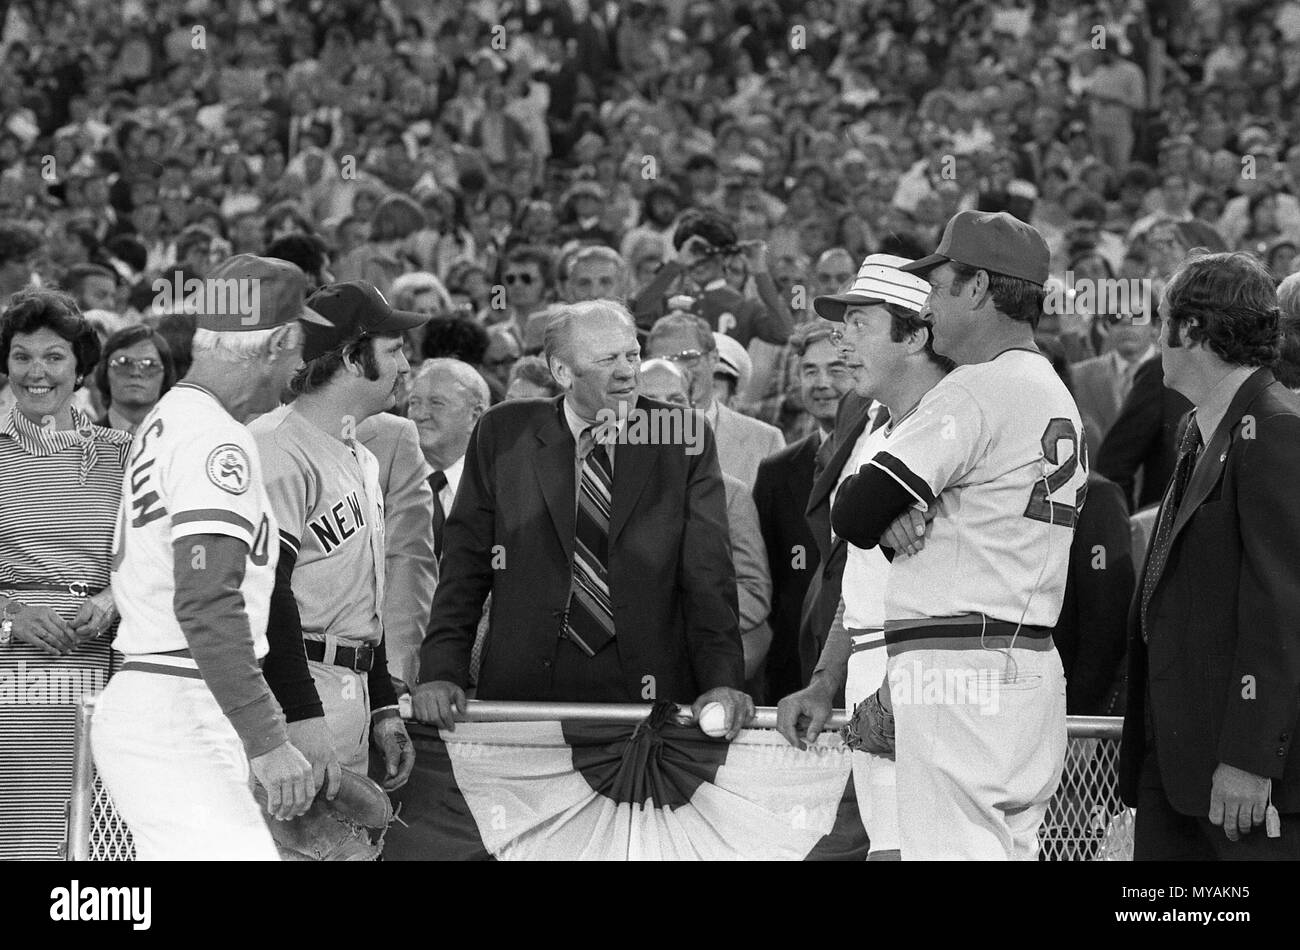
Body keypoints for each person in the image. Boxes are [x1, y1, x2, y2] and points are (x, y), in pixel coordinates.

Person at [831, 212, 1087, 859]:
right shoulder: (1052, 388)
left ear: (978, 290)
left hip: (959, 666)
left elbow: (857, 511)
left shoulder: (979, 386)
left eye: (942, 287)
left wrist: (889, 509)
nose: (931, 306)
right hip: (1027, 664)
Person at [413, 300, 751, 732]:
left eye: (632, 355)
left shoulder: (682, 434)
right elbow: (464, 565)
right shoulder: (504, 431)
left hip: (648, 694)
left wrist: (721, 680)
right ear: (562, 372)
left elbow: (709, 573)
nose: (628, 371)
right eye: (608, 360)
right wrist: (441, 669)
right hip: (524, 695)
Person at [91, 255, 318, 860]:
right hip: (179, 702)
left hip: (171, 694)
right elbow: (206, 600)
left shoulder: (173, 416)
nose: (300, 367)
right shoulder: (215, 436)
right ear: (282, 341)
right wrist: (268, 739)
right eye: (301, 348)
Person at [1120, 252, 1300, 859]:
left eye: (1162, 319)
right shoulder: (1202, 427)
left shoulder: (1274, 428)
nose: (1155, 336)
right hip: (1177, 767)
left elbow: (1283, 609)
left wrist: (1250, 759)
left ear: (1192, 330)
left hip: (1239, 782)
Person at [776, 253, 944, 860]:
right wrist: (826, 681)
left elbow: (957, 585)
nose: (844, 340)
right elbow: (859, 575)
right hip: (873, 669)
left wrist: (906, 685)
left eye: (860, 324)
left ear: (917, 336)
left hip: (929, 676)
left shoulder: (954, 421)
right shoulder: (873, 423)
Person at [249, 281, 421, 792]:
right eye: (393, 350)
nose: (405, 366)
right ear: (350, 357)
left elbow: (365, 594)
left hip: (349, 688)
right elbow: (267, 595)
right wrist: (301, 717)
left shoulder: (361, 455)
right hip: (291, 694)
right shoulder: (274, 446)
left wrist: (385, 703)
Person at [0, 289, 131, 860]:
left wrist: (113, 597)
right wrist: (12, 618)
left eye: (53, 357)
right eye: (22, 356)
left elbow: (161, 560)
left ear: (81, 366)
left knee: (91, 847)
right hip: (10, 673)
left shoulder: (126, 454)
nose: (37, 372)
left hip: (103, 672)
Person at [640, 358, 773, 688]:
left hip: (704, 669)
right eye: (650, 402)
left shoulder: (730, 494)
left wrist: (679, 626)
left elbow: (754, 591)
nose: (664, 413)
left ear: (693, 406)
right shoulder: (604, 487)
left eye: (675, 401)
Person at [752, 320, 853, 701]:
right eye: (810, 371)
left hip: (872, 669)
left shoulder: (889, 456)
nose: (821, 382)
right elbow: (768, 583)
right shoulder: (777, 471)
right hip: (792, 676)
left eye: (836, 368)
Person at [644, 311, 783, 488]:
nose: (678, 370)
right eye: (663, 361)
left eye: (688, 358)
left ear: (714, 358)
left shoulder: (766, 442)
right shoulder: (624, 438)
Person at [407, 357, 491, 564]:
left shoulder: (500, 489)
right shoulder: (383, 480)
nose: (419, 414)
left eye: (436, 403)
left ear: (475, 415)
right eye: (413, 402)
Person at [94, 324, 176, 435]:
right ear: (105, 371)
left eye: (149, 365)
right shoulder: (77, 444)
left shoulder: (183, 443)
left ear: (165, 375)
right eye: (123, 363)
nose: (135, 373)